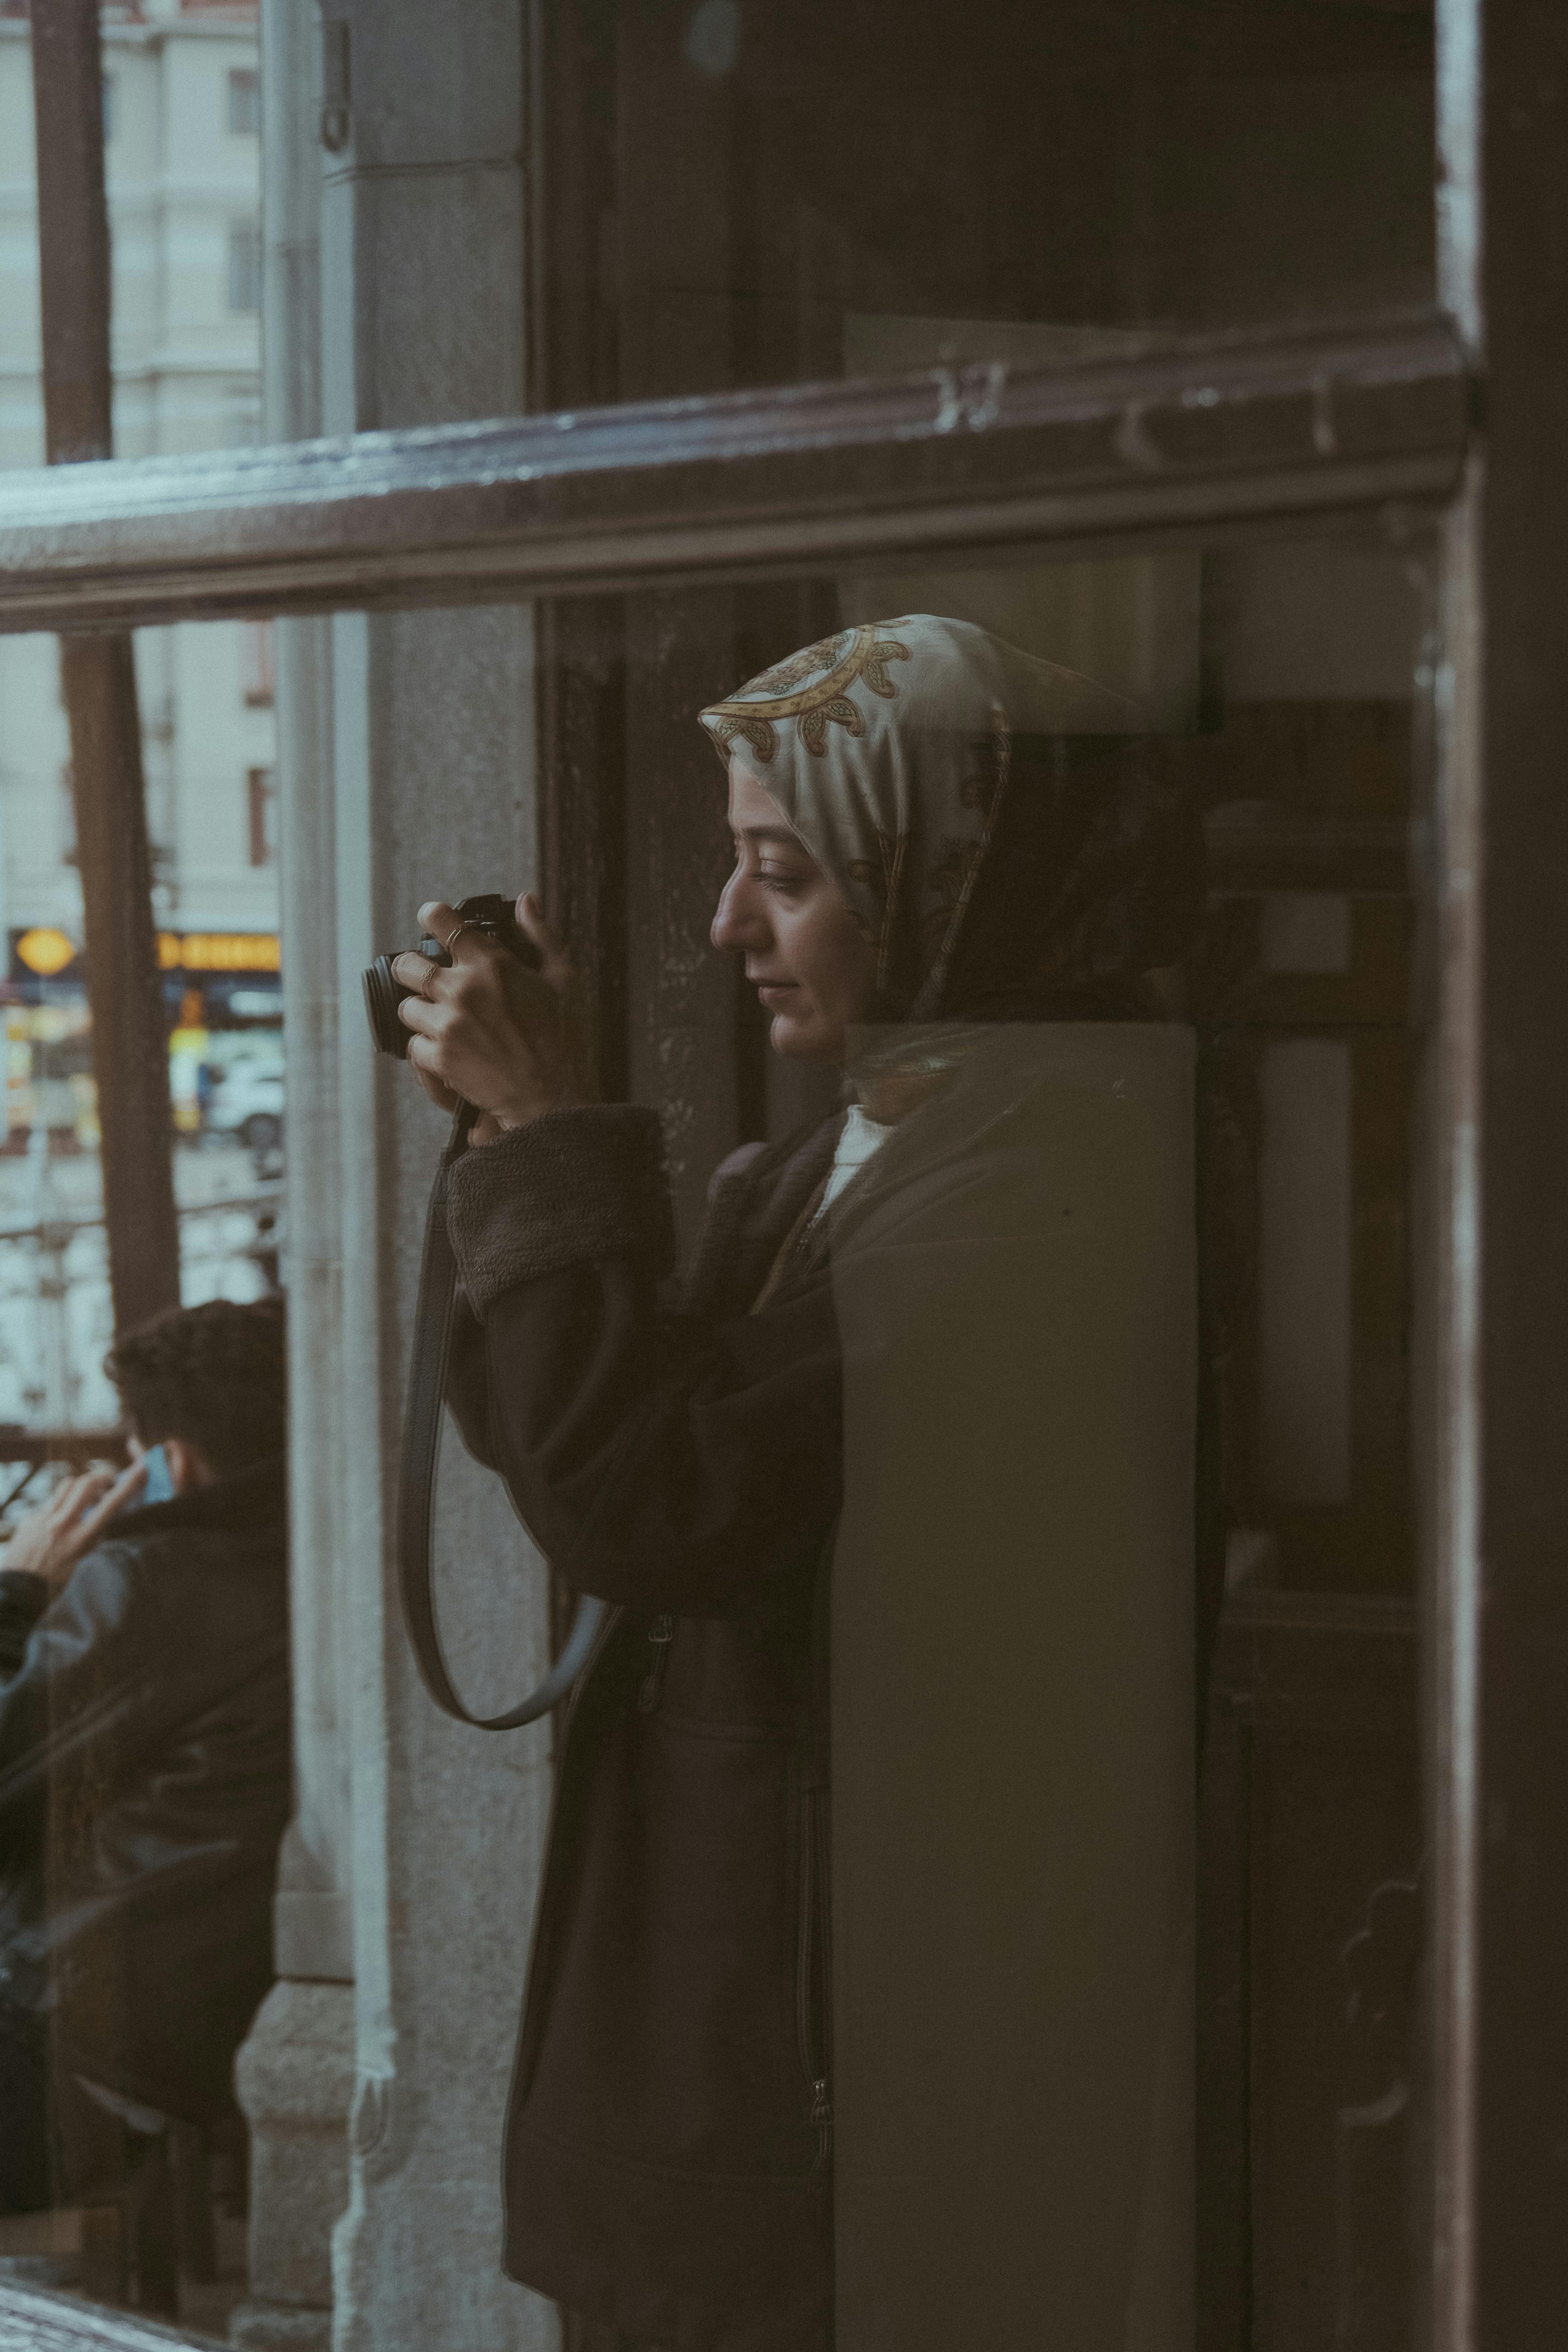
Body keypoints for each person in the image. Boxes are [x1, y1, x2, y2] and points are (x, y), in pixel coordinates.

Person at [392, 616, 1208, 2351]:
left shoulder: (1045, 1188)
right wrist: (506, 1136)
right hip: (767, 2054)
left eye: (784, 871)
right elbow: (563, 1424)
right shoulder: (875, 1144)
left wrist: (546, 1135)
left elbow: (648, 1495)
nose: (725, 925)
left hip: (855, 2082)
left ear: (946, 878)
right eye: (731, 867)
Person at [0, 1297, 290, 2219]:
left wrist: (19, 1589)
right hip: (161, 2056)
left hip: (50, 2058)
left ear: (170, 1463)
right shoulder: (307, 1561)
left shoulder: (150, 1584)